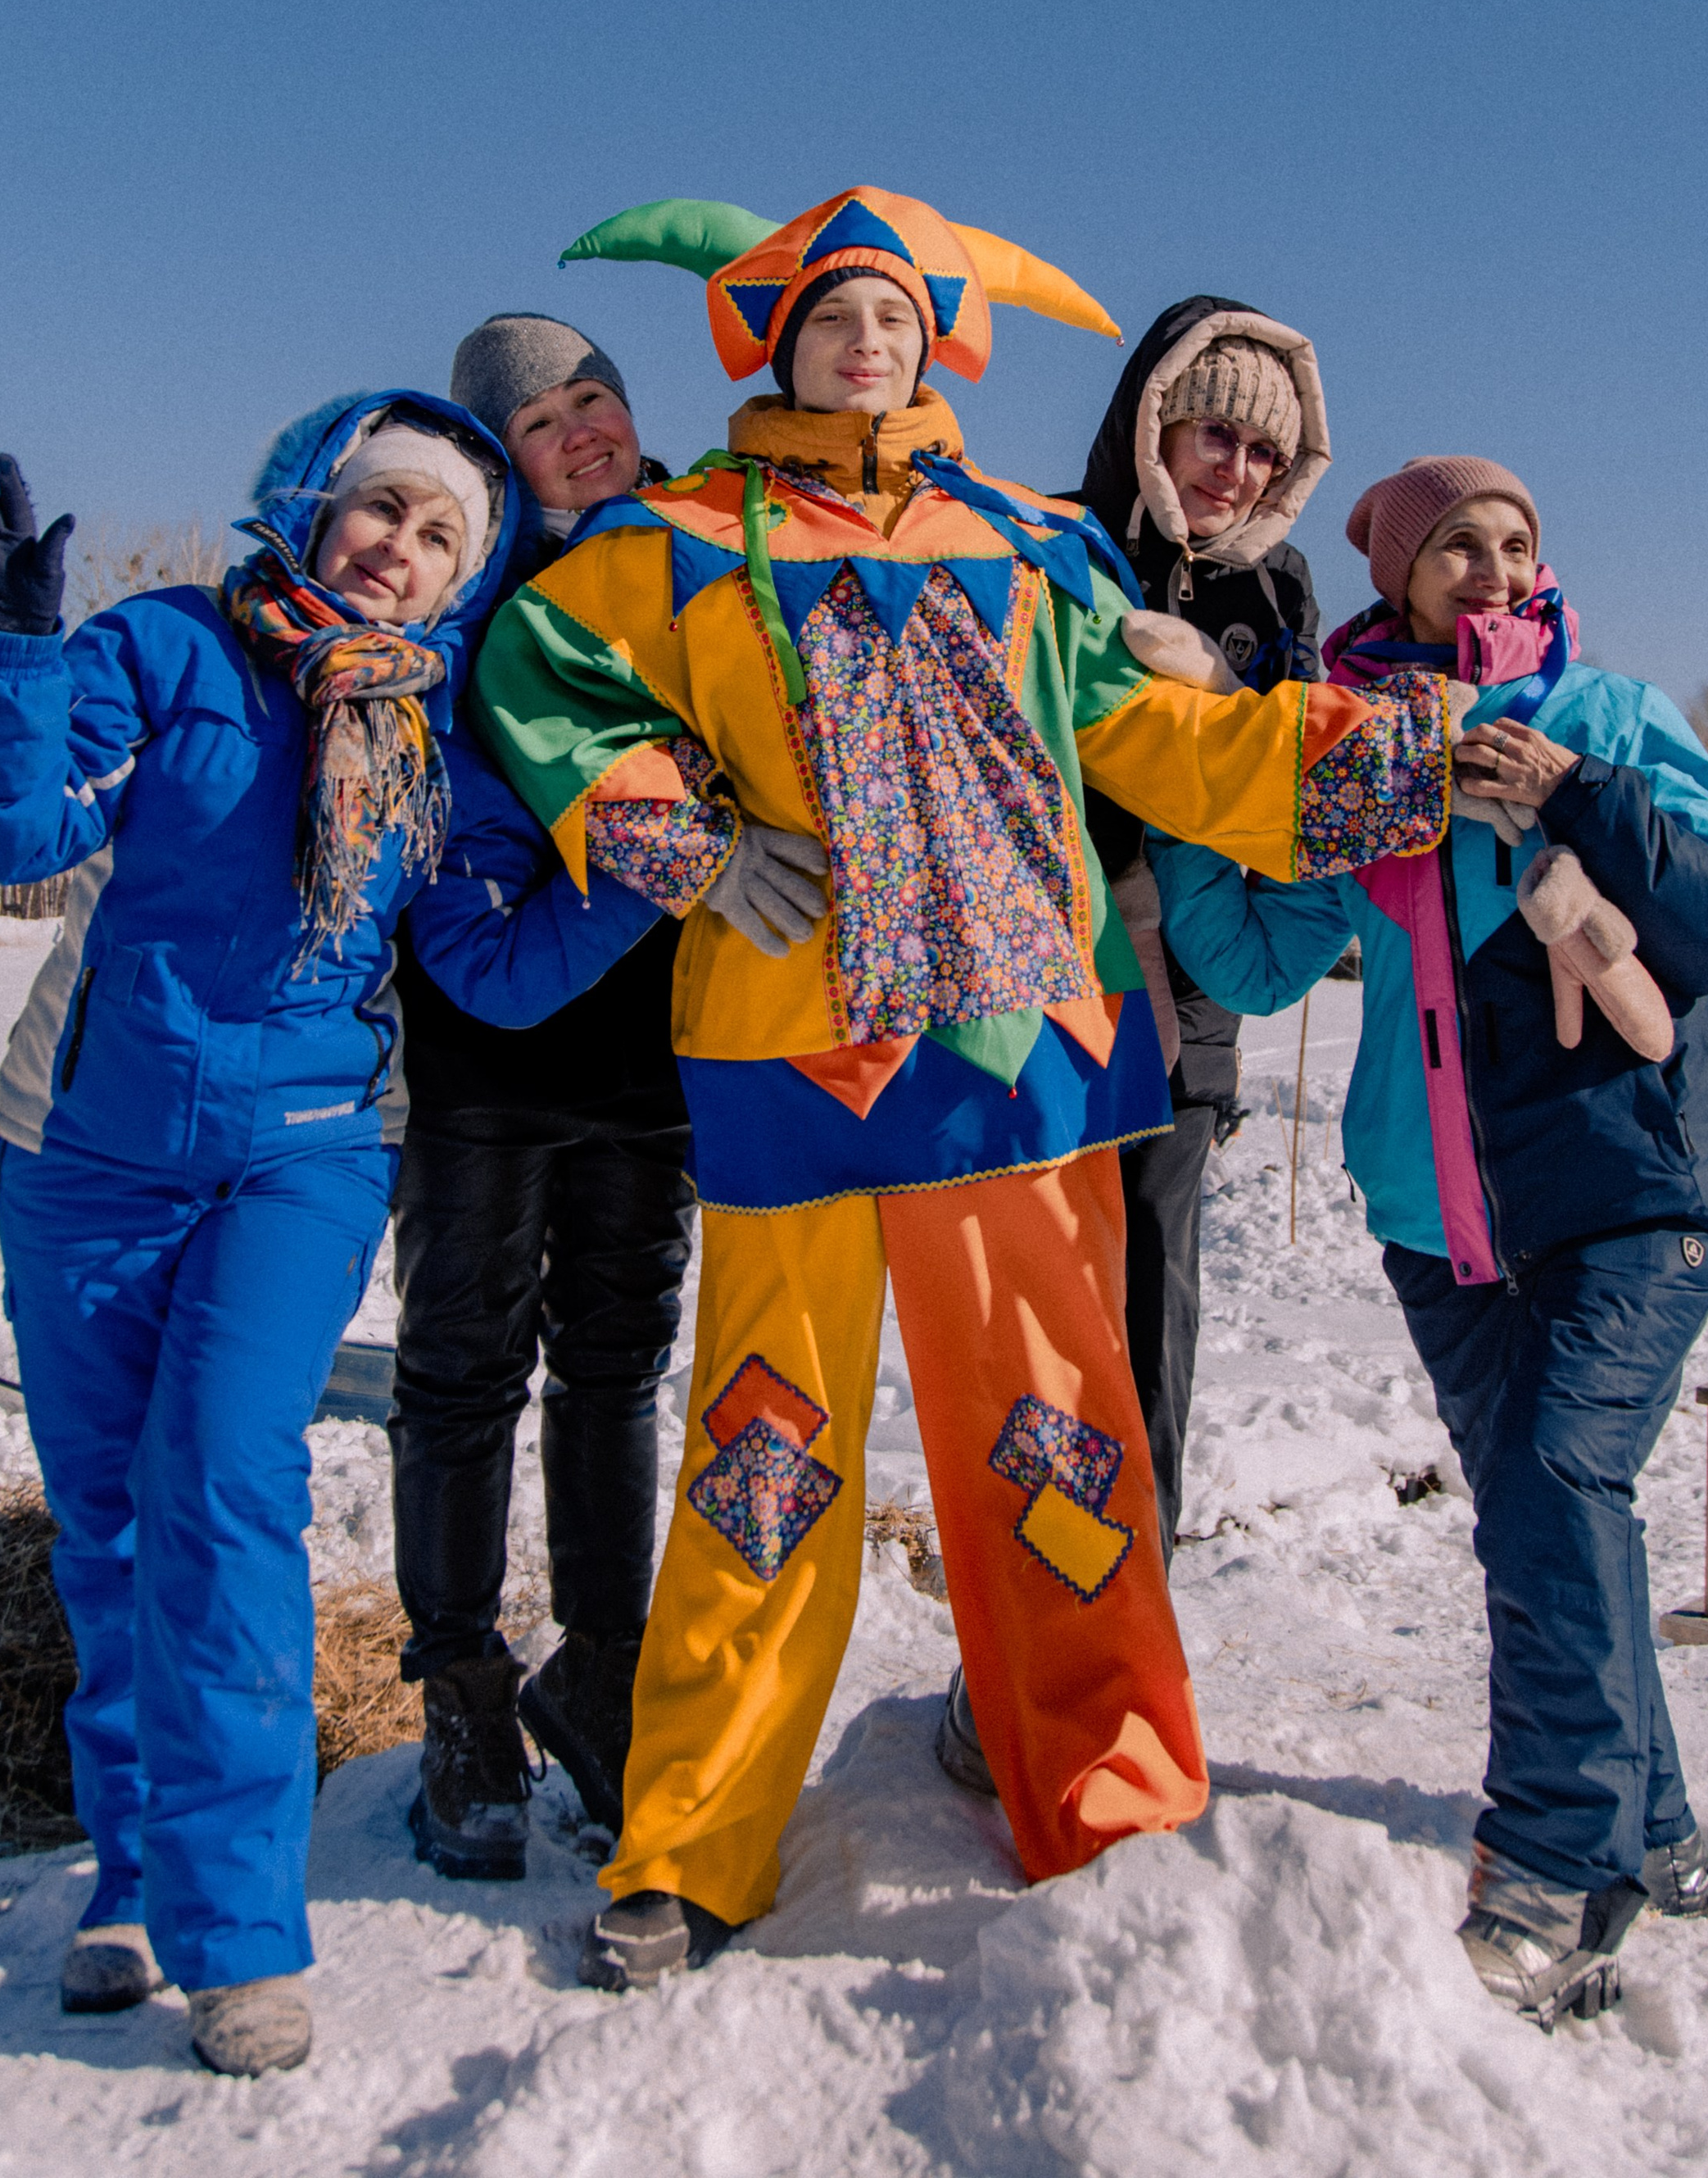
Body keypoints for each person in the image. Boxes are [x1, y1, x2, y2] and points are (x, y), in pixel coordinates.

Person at [470, 188, 1459, 1990]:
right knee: (762, 1457)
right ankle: (694, 1833)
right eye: (839, 314)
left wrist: (1378, 758)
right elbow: (538, 678)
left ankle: (1103, 1792)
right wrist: (675, 838)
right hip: (788, 1059)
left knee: (1054, 1443)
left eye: (904, 323)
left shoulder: (1025, 542)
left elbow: (1151, 734)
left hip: (1024, 1063)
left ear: (946, 347)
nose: (872, 346)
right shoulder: (676, 539)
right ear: (774, 335)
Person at [0, 402, 660, 2077]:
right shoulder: (173, 649)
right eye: (377, 513)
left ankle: (242, 1936)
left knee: (223, 1491)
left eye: (436, 540)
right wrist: (12, 653)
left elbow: (482, 965)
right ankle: (131, 1876)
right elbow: (6, 831)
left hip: (307, 1155)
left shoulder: (437, 738)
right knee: (107, 1524)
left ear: (457, 585)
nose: (393, 551)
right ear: (312, 511)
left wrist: (628, 882)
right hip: (84, 1153)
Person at [1153, 455, 1708, 2028]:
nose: (1494, 571)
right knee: (1550, 1524)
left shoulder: (1609, 715)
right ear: (1398, 578)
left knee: (1561, 1483)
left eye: (1515, 544)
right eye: (1458, 549)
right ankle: (1658, 1831)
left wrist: (1573, 796)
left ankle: (1552, 1866)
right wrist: (1180, 791)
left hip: (1637, 1191)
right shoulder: (1362, 760)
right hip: (1443, 1226)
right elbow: (1253, 954)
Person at [388, 315, 695, 1881]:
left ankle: (604, 1670)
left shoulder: (701, 555)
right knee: (460, 1368)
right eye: (542, 421)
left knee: (618, 1367)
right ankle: (459, 1688)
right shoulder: (469, 604)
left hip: (653, 1056)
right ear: (496, 456)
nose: (583, 431)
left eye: (599, 401)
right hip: (485, 1055)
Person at [1076, 295, 1331, 1560]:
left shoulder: (1280, 593)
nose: (1233, 471)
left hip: (1188, 1005)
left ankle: (1143, 1581)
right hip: (1054, 989)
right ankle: (1024, 1616)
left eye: (1263, 453)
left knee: (1154, 1300)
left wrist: (1232, 698)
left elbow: (1285, 798)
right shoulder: (1061, 550)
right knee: (1048, 1311)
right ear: (1155, 427)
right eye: (1212, 435)